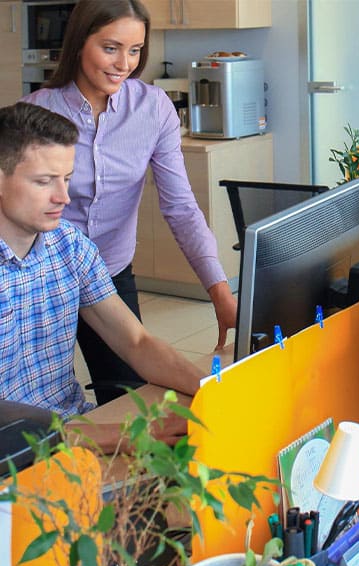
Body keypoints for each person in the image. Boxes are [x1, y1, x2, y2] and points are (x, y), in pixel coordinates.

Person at [21, 0, 236, 405]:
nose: (124, 64)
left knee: (129, 397)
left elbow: (181, 208)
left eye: (135, 50)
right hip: (40, 279)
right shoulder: (36, 114)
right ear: (79, 42)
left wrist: (221, 293)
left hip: (109, 273)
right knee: (39, 398)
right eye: (111, 48)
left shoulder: (152, 109)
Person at [0, 102, 205, 430]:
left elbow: (136, 343)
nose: (63, 197)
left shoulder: (70, 245)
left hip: (73, 428)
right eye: (44, 182)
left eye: (67, 179)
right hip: (20, 449)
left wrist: (212, 393)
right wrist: (103, 437)